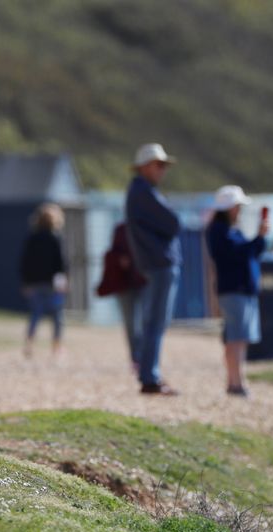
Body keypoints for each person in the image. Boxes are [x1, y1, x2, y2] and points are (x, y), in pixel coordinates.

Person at [125, 143, 182, 395]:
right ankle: (150, 376)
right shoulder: (143, 192)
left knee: (154, 321)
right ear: (146, 166)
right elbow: (172, 223)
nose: (162, 171)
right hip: (159, 264)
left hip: (156, 263)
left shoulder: (141, 191)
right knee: (155, 322)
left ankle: (150, 373)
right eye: (159, 165)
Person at [206, 186, 268, 397]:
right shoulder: (219, 231)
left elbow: (251, 253)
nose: (240, 210)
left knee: (239, 338)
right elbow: (238, 255)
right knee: (236, 338)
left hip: (242, 290)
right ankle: (236, 383)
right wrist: (257, 239)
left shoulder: (231, 230)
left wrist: (260, 238)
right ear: (229, 207)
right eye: (237, 206)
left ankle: (236, 381)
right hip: (234, 290)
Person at [19, 203, 68, 359]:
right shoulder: (55, 237)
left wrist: (25, 281)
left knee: (35, 314)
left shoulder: (32, 238)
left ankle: (29, 343)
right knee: (57, 316)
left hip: (34, 283)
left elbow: (24, 261)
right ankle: (56, 346)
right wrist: (64, 280)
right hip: (52, 283)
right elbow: (61, 262)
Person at [96, 222, 147, 372]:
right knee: (131, 323)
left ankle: (147, 356)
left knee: (146, 321)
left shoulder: (145, 228)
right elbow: (113, 251)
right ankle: (136, 358)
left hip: (144, 281)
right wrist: (120, 259)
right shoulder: (120, 229)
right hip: (124, 283)